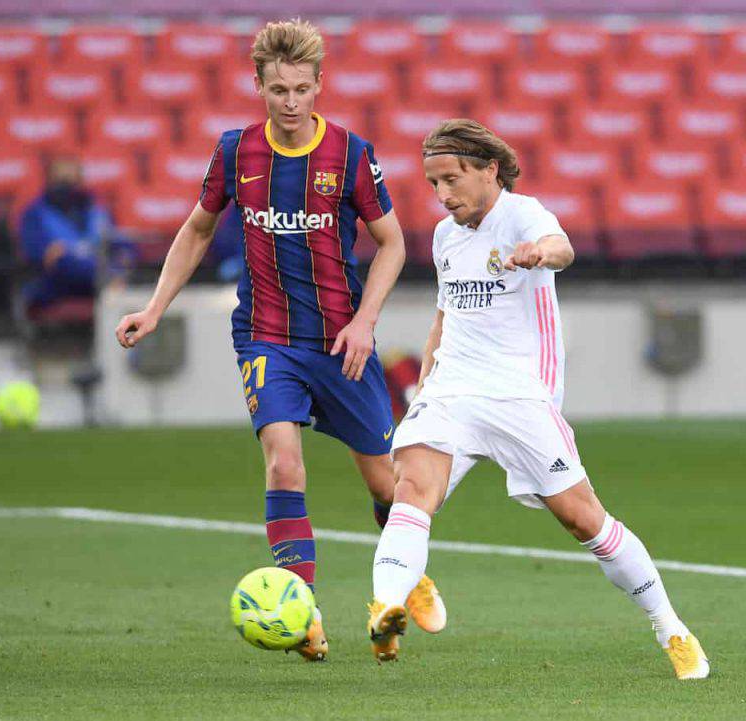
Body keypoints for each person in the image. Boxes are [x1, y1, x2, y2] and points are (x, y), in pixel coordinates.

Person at [116, 19, 446, 662]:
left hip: (340, 341)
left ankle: (410, 571)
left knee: (388, 485)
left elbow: (393, 243)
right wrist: (155, 308)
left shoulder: (350, 153)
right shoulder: (235, 152)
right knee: (282, 461)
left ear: (320, 85)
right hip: (266, 338)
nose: (291, 102)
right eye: (278, 90)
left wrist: (365, 322)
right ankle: (303, 614)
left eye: (301, 88)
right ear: (258, 87)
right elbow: (197, 230)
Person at [366, 119, 709, 680]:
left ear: (488, 170)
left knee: (584, 522)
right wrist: (425, 383)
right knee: (409, 488)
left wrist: (539, 254)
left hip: (519, 393)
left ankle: (671, 626)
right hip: (453, 387)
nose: (442, 194)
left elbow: (562, 247)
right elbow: (445, 315)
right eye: (432, 183)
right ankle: (386, 608)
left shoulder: (522, 215)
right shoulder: (445, 236)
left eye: (451, 179)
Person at [19, 157, 133, 310]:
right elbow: (42, 254)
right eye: (62, 180)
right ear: (50, 180)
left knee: (125, 263)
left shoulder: (97, 209)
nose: (67, 186)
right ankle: (106, 278)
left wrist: (124, 256)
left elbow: (119, 242)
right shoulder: (36, 213)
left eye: (72, 179)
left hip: (98, 277)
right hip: (59, 282)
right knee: (64, 262)